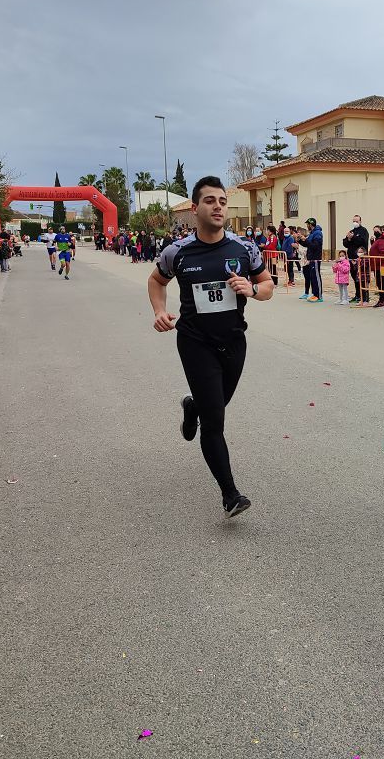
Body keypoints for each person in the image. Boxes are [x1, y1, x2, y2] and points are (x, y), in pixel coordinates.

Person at [148, 176, 275, 518]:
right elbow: (156, 280)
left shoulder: (243, 249)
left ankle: (193, 407)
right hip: (194, 342)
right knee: (215, 422)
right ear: (195, 209)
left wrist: (252, 289)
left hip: (234, 341)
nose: (218, 206)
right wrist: (160, 311)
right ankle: (230, 494)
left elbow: (267, 285)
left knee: (213, 407)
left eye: (222, 201)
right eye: (210, 201)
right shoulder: (178, 251)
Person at [343, 215, 369, 303]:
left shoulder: (363, 231)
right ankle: (357, 295)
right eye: (353, 221)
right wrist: (348, 239)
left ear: (360, 222)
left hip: (360, 259)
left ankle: (364, 297)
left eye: (357, 221)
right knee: (355, 278)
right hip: (351, 259)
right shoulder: (351, 231)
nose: (355, 223)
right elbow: (345, 243)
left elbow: (362, 242)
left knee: (362, 278)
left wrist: (353, 237)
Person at [299, 217, 323, 302]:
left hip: (315, 258)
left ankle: (319, 296)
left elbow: (315, 246)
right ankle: (314, 294)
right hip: (311, 258)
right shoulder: (312, 233)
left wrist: (306, 240)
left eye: (307, 224)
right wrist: (300, 240)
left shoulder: (317, 233)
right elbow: (307, 244)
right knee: (313, 277)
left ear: (310, 224)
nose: (307, 226)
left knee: (316, 277)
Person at [369, 226, 384, 308]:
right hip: (376, 265)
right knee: (379, 283)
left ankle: (382, 300)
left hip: (381, 265)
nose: (375, 232)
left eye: (377, 231)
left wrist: (375, 260)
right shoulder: (378, 240)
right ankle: (381, 299)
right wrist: (372, 242)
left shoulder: (382, 240)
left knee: (381, 283)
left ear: (381, 231)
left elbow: (383, 252)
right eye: (374, 231)